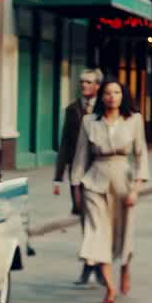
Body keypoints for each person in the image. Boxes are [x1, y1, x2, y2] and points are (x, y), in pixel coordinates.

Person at [69, 78, 148, 303]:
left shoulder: (134, 120)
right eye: (107, 93)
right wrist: (76, 188)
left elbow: (141, 154)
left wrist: (137, 188)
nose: (112, 96)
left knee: (124, 233)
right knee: (97, 233)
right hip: (94, 181)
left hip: (123, 180)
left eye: (116, 92)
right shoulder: (89, 122)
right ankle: (110, 288)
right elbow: (80, 156)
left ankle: (125, 268)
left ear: (122, 96)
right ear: (101, 97)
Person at [55, 68, 103, 284]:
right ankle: (90, 265)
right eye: (82, 81)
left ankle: (98, 265)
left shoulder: (106, 108)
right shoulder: (72, 110)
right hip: (79, 174)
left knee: (100, 222)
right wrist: (58, 177)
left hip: (101, 173)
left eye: (89, 82)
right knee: (86, 220)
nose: (84, 85)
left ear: (97, 86)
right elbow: (65, 144)